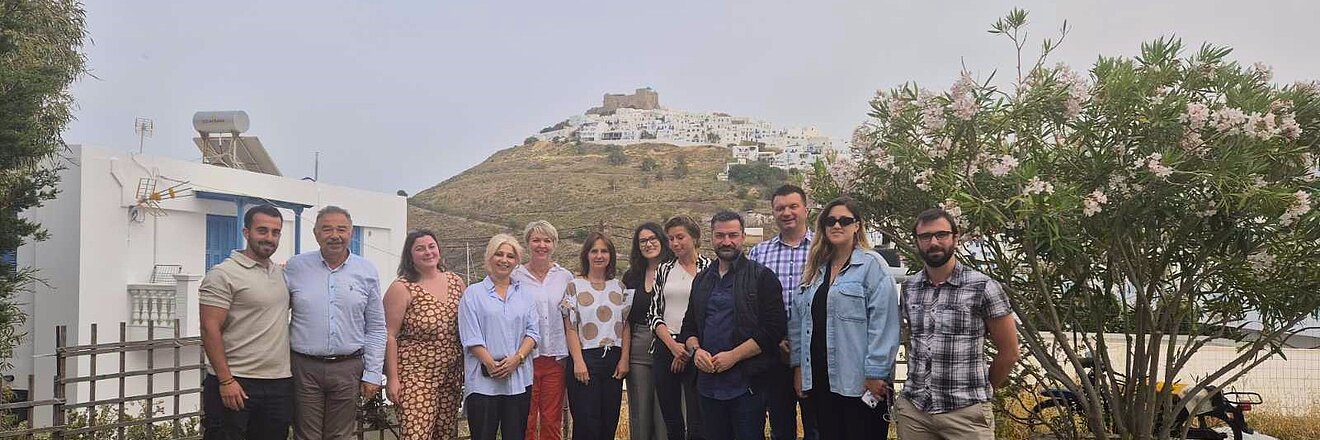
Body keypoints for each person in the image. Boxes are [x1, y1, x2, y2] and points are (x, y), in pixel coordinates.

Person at [894, 208, 1019, 440]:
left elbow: (1009, 351)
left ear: (955, 237)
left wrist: (981, 391)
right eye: (925, 236)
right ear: (917, 241)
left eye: (941, 234)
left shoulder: (983, 287)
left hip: (966, 413)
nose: (933, 242)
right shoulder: (910, 289)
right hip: (915, 411)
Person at [788, 197, 901, 440]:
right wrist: (798, 367)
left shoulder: (872, 266)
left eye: (844, 220)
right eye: (831, 221)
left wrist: (875, 373)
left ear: (857, 226)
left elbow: (884, 323)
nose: (837, 226)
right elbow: (798, 321)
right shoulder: (815, 269)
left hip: (859, 382)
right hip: (821, 381)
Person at [679, 210, 786, 440]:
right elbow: (689, 326)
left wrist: (734, 356)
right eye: (720, 235)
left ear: (743, 236)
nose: (726, 241)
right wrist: (696, 351)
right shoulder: (702, 279)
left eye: (733, 235)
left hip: (746, 387)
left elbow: (773, 330)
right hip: (707, 387)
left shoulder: (762, 277)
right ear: (711, 237)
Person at [285, 206, 386, 440]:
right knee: (305, 435)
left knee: (340, 436)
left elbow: (376, 327)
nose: (335, 235)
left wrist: (372, 373)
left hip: (347, 368)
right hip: (304, 368)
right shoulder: (295, 267)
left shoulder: (367, 271)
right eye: (327, 229)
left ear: (351, 233)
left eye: (342, 229)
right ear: (316, 233)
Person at [198, 205, 294, 440]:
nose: (269, 238)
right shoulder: (222, 274)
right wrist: (226, 380)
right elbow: (209, 328)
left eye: (275, 232)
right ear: (246, 232)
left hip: (277, 383)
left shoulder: (280, 274)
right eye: (262, 230)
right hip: (237, 382)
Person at [747, 185, 816, 440]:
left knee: (817, 425)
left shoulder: (823, 248)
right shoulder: (759, 253)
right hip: (773, 353)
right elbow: (752, 305)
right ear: (773, 213)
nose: (786, 212)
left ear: (805, 210)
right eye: (780, 208)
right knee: (780, 425)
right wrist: (775, 339)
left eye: (793, 206)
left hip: (813, 353)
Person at [383, 230, 466, 439]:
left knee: (445, 434)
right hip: (416, 376)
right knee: (416, 434)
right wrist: (392, 379)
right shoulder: (402, 288)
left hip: (451, 375)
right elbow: (389, 335)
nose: (428, 252)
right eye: (420, 248)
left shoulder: (456, 282)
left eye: (431, 246)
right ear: (410, 256)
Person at [459, 234, 540, 440]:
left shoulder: (526, 295)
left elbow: (533, 332)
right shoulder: (473, 294)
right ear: (489, 258)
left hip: (518, 379)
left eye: (510, 256)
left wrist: (516, 359)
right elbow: (470, 336)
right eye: (499, 254)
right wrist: (491, 364)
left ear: (516, 262)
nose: (504, 260)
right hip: (483, 382)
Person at [647, 215, 713, 440]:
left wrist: (686, 349)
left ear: (694, 237)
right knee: (671, 416)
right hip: (666, 347)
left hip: (698, 349)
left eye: (680, 237)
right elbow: (654, 314)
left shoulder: (710, 268)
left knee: (698, 417)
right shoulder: (664, 270)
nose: (675, 243)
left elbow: (710, 314)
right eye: (671, 238)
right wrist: (674, 347)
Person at [561, 232, 633, 440]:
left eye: (604, 251)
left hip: (613, 361)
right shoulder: (574, 285)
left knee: (608, 423)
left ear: (610, 255)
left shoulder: (619, 287)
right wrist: (578, 362)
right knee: (586, 425)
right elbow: (571, 328)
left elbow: (626, 326)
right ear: (587, 255)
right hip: (585, 358)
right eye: (594, 251)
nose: (599, 255)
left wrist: (624, 359)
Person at [512, 221, 575, 440]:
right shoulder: (515, 276)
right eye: (536, 240)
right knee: (526, 418)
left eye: (547, 240)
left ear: (554, 245)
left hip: (556, 357)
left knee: (551, 418)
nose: (542, 245)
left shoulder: (565, 277)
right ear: (528, 243)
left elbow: (571, 316)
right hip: (525, 357)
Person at [622, 223, 672, 440]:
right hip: (638, 348)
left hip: (669, 346)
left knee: (665, 411)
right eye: (643, 241)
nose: (648, 244)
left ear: (662, 240)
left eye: (653, 238)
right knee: (640, 413)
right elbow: (625, 319)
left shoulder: (675, 271)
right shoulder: (631, 277)